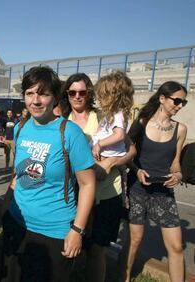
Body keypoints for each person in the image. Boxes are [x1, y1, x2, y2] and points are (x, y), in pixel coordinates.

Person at [1, 67, 96, 282]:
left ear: (54, 97)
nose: (35, 101)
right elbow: (20, 171)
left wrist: (77, 230)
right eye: (29, 93)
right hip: (18, 223)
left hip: (54, 230)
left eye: (43, 94)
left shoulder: (70, 132)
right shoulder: (21, 127)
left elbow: (88, 185)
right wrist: (6, 208)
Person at [60, 73, 136, 282]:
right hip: (70, 197)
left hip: (105, 196)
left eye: (82, 92)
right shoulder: (61, 122)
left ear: (90, 93)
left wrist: (110, 163)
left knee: (96, 251)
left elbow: (131, 151)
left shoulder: (104, 117)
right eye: (72, 92)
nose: (77, 96)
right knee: (66, 248)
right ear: (66, 94)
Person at [123, 81, 188, 282]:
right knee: (135, 240)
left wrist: (178, 175)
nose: (179, 105)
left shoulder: (180, 129)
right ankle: (124, 277)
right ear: (162, 98)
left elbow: (176, 164)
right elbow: (128, 155)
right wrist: (137, 170)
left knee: (176, 246)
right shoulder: (141, 123)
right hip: (138, 189)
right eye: (176, 100)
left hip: (164, 193)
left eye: (183, 102)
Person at [92, 71, 134, 161]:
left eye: (101, 95)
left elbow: (119, 135)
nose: (98, 99)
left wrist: (99, 144)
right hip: (102, 154)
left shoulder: (118, 115)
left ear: (113, 97)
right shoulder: (110, 115)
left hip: (106, 157)